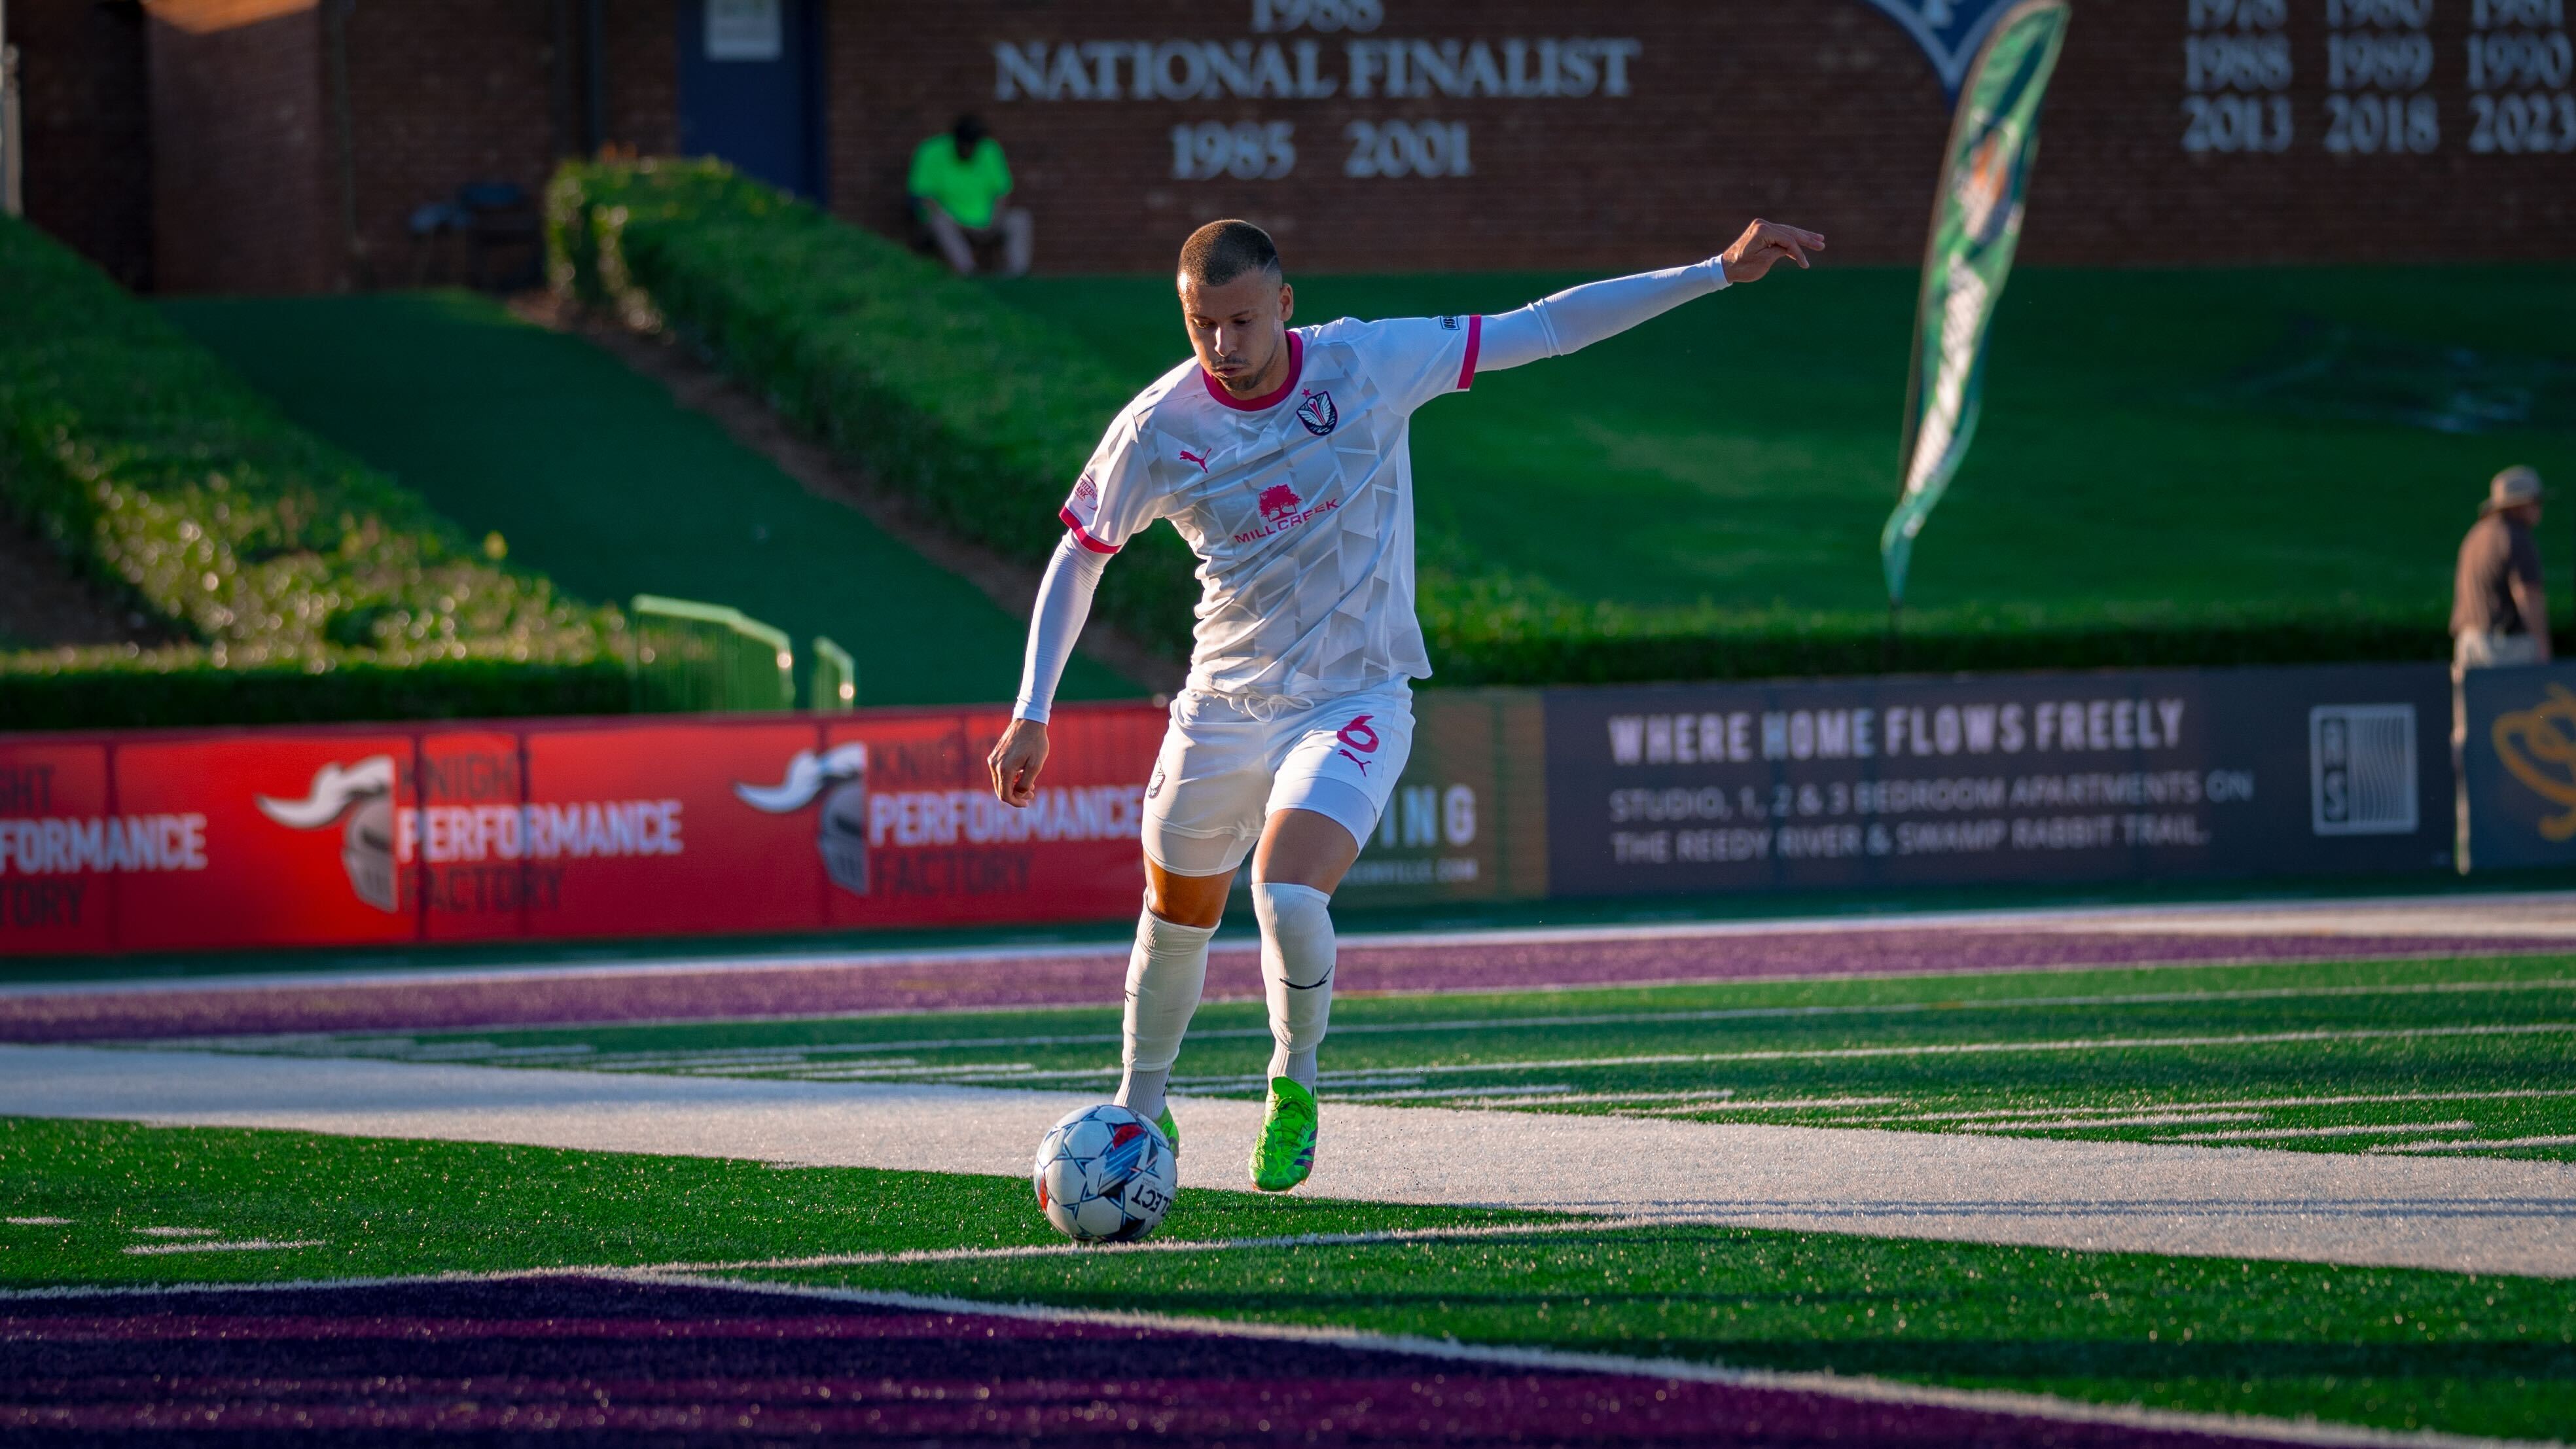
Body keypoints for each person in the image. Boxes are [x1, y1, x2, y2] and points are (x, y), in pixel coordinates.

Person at [985, 215, 1825, 1192]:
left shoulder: (1369, 362)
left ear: (1285, 306)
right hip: (1222, 705)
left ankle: (1292, 1079)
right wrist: (1032, 707)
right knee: (1175, 918)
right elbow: (1079, 556)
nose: (1223, 344)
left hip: (1354, 696)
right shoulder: (1158, 427)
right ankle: (1141, 1106)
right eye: (1202, 323)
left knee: (1287, 890)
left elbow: (1543, 326)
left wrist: (1715, 272)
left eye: (1242, 320)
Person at [2452, 464, 2552, 869]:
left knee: (2467, 741)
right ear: (2521, 505)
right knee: (2518, 743)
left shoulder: (2475, 537)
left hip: (2468, 645)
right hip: (2504, 648)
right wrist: (2542, 643)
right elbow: (2526, 594)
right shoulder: (2515, 538)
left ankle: (2468, 840)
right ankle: (2516, 838)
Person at [908, 115, 1032, 278]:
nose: (969, 150)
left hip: (987, 223)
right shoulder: (931, 151)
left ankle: (1017, 277)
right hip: (952, 222)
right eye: (965, 146)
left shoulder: (989, 150)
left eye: (973, 146)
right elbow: (923, 197)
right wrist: (959, 223)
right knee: (939, 221)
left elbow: (1002, 194)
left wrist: (993, 221)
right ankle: (969, 273)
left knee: (1020, 218)